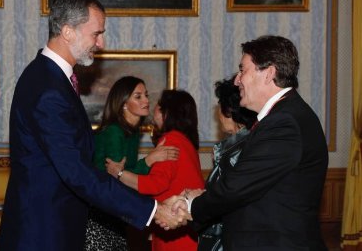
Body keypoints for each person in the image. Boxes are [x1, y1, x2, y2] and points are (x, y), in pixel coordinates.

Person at [0, 0, 185, 251]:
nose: (101, 43)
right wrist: (153, 210)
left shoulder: (50, 78)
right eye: (96, 33)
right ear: (67, 32)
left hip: (53, 226)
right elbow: (77, 172)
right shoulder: (48, 88)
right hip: (43, 233)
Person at [169, 35, 329, 250]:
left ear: (269, 73)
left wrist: (192, 206)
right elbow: (254, 183)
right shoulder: (284, 115)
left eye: (243, 70)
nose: (237, 80)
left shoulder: (284, 122)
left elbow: (238, 187)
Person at [85, 76, 179, 251]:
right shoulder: (114, 131)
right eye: (138, 96)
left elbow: (124, 174)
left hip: (114, 209)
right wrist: (150, 160)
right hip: (100, 212)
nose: (146, 101)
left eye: (146, 95)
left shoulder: (131, 132)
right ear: (123, 104)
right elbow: (115, 178)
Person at [106, 89, 205, 251]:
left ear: (167, 113)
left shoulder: (171, 139)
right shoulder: (186, 142)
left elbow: (155, 184)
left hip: (175, 233)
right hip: (185, 231)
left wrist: (119, 174)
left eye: (158, 106)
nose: (153, 109)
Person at [197, 75, 257, 251]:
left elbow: (222, 196)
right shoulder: (253, 142)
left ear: (229, 110)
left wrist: (193, 202)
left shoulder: (233, 151)